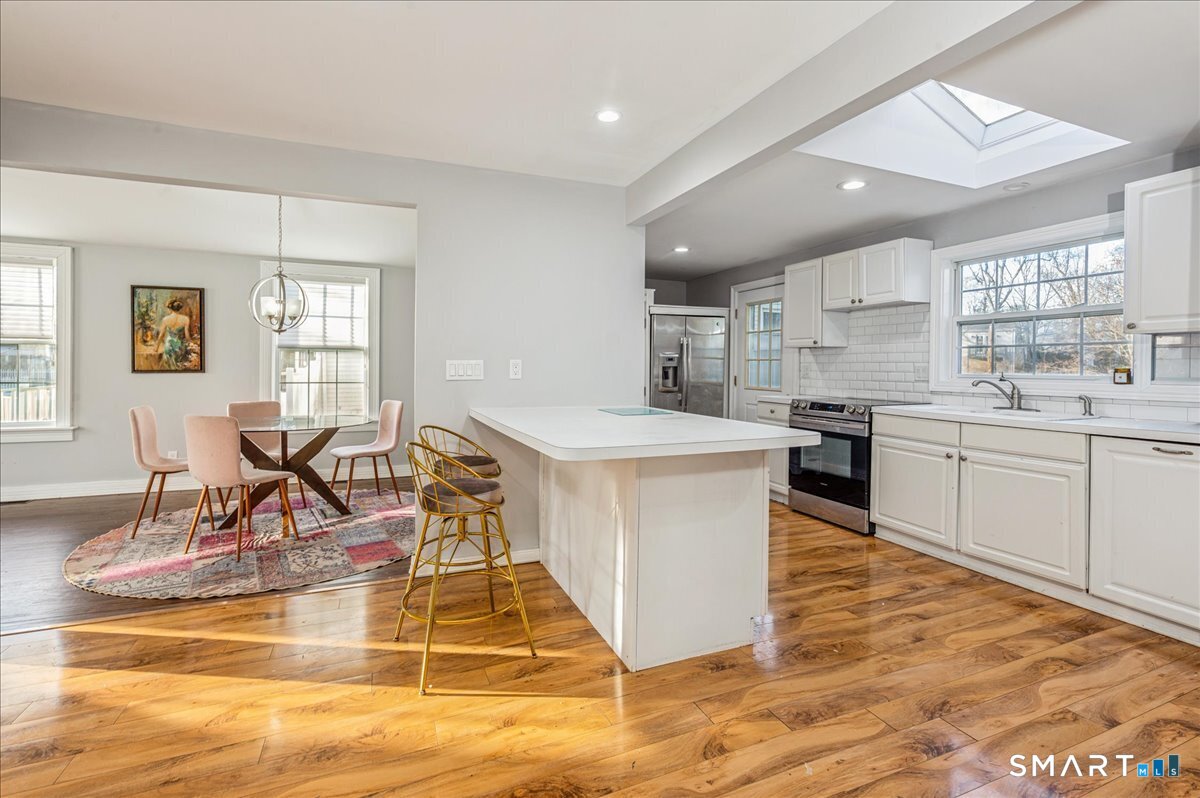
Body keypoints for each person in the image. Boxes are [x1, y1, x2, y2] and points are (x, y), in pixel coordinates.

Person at [155, 298, 194, 369]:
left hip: (169, 346)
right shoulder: (185, 319)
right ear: (179, 308)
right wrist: (191, 346)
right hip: (180, 346)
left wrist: (156, 347)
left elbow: (161, 335)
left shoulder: (165, 319)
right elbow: (187, 336)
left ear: (170, 308)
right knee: (180, 366)